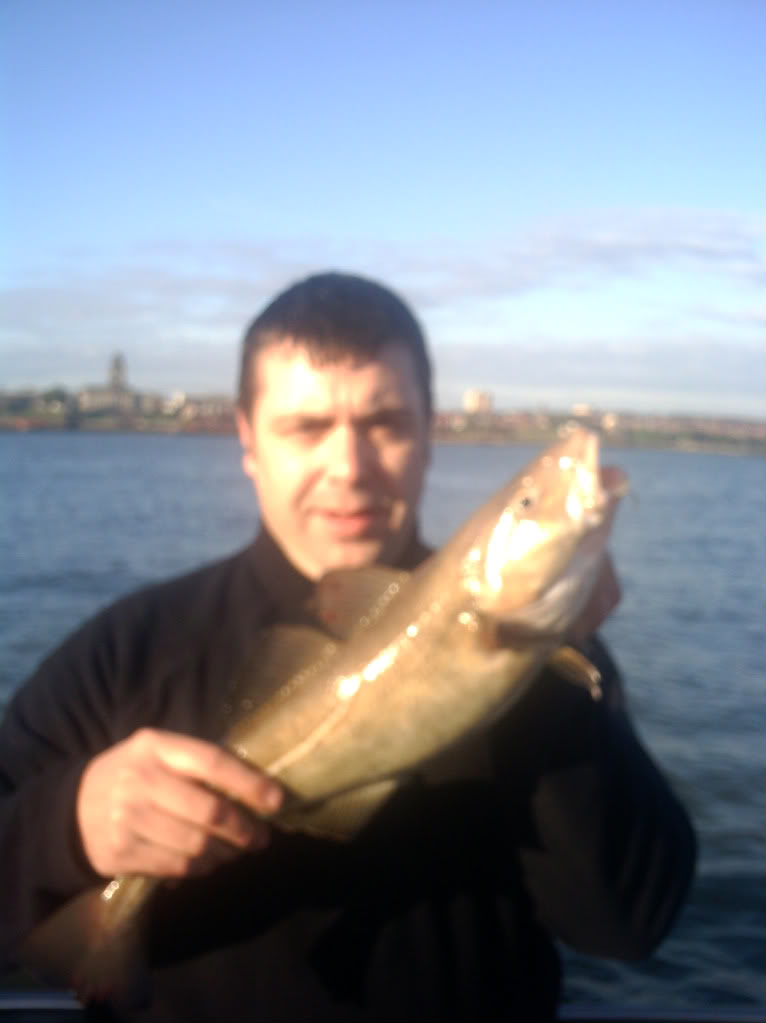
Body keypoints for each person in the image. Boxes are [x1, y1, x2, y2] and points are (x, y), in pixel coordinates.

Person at [0, 272, 695, 1022]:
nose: (350, 467)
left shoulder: (562, 663)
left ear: (430, 431)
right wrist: (66, 823)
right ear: (247, 438)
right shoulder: (123, 654)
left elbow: (632, 924)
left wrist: (545, 681)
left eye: (386, 422)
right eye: (306, 427)